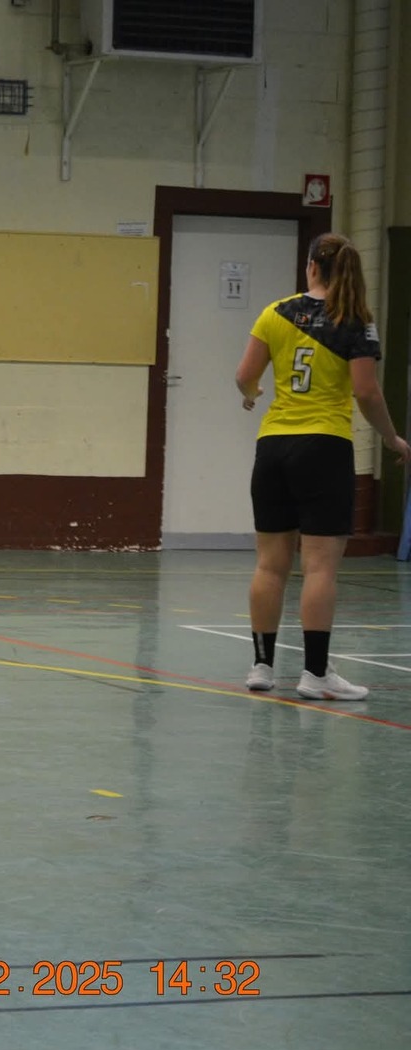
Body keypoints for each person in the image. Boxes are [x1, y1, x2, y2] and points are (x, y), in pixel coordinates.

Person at [234, 232, 410, 700]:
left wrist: (252, 394)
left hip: (273, 448)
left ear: (312, 266)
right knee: (319, 569)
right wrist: (391, 437)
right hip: (324, 449)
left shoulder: (275, 312)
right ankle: (314, 674)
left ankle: (261, 667)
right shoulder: (355, 320)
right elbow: (366, 392)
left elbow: (245, 376)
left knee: (270, 565)